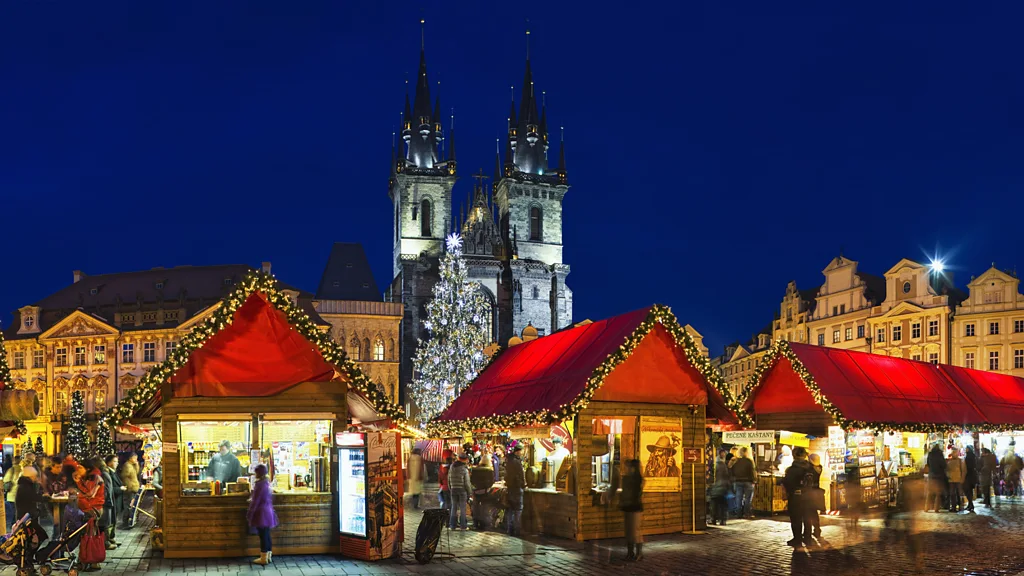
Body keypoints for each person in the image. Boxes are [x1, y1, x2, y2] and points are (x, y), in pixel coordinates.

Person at [781, 446, 814, 547]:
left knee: (796, 519)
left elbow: (788, 482)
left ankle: (797, 539)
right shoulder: (810, 467)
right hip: (809, 495)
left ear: (794, 455)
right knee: (807, 517)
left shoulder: (792, 469)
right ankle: (808, 538)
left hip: (796, 496)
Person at [248, 464, 277, 566]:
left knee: (263, 536)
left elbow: (256, 501)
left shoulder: (259, 484)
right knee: (267, 535)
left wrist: (250, 512)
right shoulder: (267, 483)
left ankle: (263, 558)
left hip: (261, 513)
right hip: (268, 511)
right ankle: (268, 556)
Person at [616, 459, 644, 561]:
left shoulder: (636, 479)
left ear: (633, 468)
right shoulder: (627, 478)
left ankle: (638, 553)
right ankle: (630, 552)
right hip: (629, 506)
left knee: (635, 531)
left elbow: (635, 493)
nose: (626, 468)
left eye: (628, 466)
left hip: (635, 507)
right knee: (629, 531)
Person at [100, 455, 125, 549]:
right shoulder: (107, 473)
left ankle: (111, 538)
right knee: (109, 522)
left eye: (117, 461)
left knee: (113, 521)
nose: (117, 463)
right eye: (115, 461)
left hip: (116, 500)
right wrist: (120, 489)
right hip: (112, 501)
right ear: (109, 462)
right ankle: (108, 540)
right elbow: (109, 489)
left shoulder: (113, 472)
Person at [504, 444, 526, 536]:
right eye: (522, 451)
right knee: (518, 509)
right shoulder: (516, 462)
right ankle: (517, 530)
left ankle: (510, 529)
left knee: (511, 509)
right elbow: (520, 475)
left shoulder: (509, 460)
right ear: (518, 451)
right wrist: (522, 484)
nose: (522, 453)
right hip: (516, 488)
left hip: (510, 487)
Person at [447, 454, 472, 530]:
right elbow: (467, 483)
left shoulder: (451, 467)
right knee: (462, 508)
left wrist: (451, 488)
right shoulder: (464, 469)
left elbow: (448, 479)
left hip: (453, 489)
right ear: (464, 460)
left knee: (454, 507)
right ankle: (463, 526)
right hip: (462, 490)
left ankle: (452, 525)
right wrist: (469, 492)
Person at [730, 446, 756, 520]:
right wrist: (754, 480)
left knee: (738, 498)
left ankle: (739, 514)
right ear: (747, 452)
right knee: (748, 499)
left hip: (738, 481)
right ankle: (746, 513)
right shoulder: (749, 461)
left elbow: (732, 470)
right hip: (748, 481)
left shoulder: (736, 461)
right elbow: (752, 472)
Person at [806, 454, 825, 538]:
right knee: (814, 513)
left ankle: (809, 532)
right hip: (816, 492)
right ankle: (817, 529)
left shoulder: (809, 469)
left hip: (809, 492)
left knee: (808, 512)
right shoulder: (819, 467)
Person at [120, 452, 141, 527]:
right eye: (134, 458)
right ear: (130, 458)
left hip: (134, 487)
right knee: (129, 505)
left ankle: (131, 520)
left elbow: (137, 473)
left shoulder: (132, 465)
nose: (136, 460)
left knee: (132, 505)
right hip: (130, 488)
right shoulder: (127, 466)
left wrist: (137, 465)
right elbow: (125, 477)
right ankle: (126, 521)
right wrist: (130, 486)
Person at [709, 449, 730, 526]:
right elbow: (727, 476)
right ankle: (723, 520)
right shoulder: (723, 465)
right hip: (723, 487)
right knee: (723, 505)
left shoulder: (714, 466)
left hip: (715, 487)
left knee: (714, 505)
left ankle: (713, 519)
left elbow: (711, 476)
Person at [926, 444, 947, 512]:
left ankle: (926, 507)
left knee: (929, 492)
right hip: (939, 476)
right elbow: (944, 465)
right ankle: (936, 508)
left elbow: (928, 463)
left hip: (931, 475)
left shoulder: (930, 454)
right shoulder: (940, 454)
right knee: (938, 493)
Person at [3, 456, 21, 531]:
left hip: (11, 496)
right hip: (20, 495)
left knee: (13, 514)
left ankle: (13, 529)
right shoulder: (22, 470)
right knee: (17, 514)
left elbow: (6, 481)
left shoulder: (11, 470)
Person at [946, 448, 966, 512]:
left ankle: (960, 506)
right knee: (953, 494)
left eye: (955, 453)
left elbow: (964, 470)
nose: (954, 454)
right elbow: (946, 470)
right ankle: (954, 507)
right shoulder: (949, 461)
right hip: (952, 480)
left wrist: (962, 478)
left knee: (958, 494)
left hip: (958, 480)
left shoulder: (960, 461)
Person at [963, 446, 978, 513]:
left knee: (967, 490)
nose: (965, 450)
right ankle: (970, 505)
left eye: (966, 448)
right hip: (973, 476)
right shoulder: (973, 456)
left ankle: (971, 504)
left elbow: (967, 466)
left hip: (968, 475)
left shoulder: (968, 457)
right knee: (969, 490)